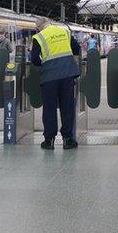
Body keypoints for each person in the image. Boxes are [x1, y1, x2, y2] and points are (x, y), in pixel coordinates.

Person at [31, 17, 81, 150]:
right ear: (50, 23)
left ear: (39, 27)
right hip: (67, 75)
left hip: (49, 78)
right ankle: (68, 140)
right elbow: (77, 48)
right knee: (67, 107)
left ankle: (49, 140)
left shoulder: (39, 37)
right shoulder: (64, 32)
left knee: (49, 108)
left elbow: (35, 59)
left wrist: (45, 65)